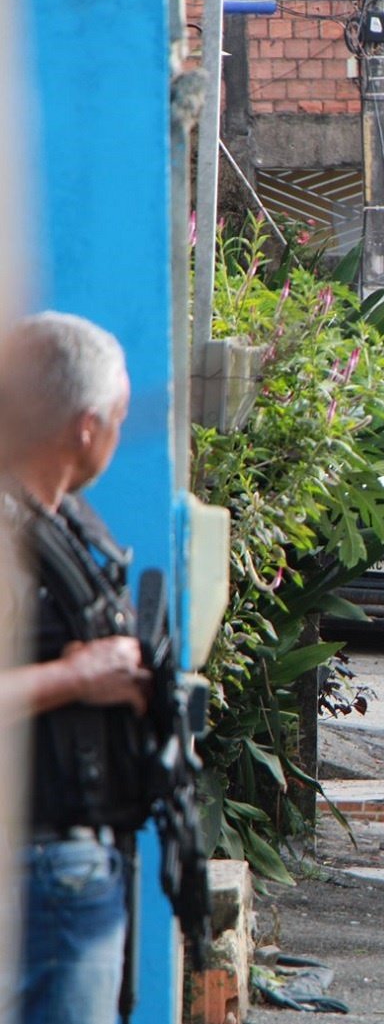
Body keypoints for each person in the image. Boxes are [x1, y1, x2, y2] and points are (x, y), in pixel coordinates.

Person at [0, 312, 156, 1024]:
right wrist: (77, 676)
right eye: (121, 417)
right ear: (86, 427)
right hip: (38, 872)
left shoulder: (57, 520)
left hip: (71, 861)